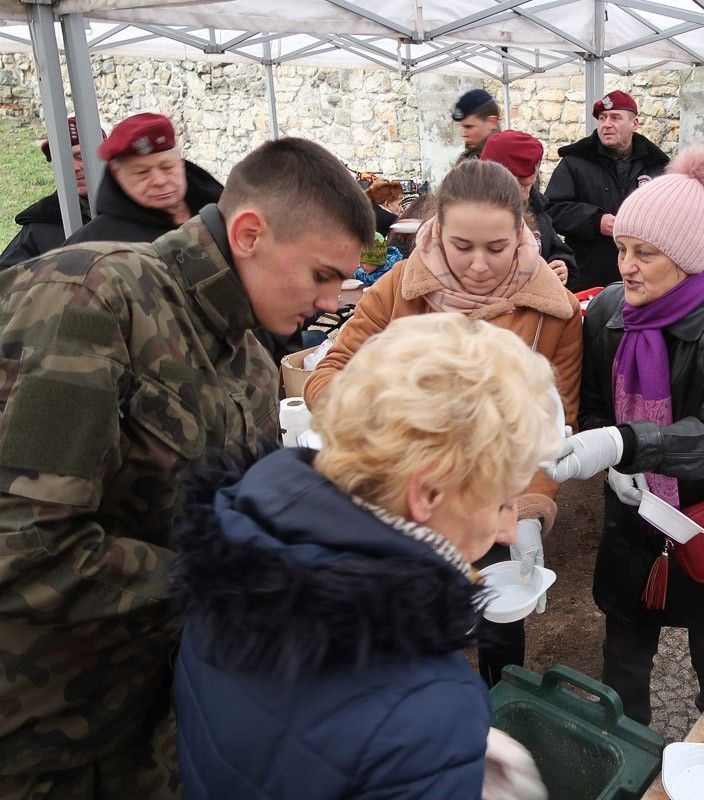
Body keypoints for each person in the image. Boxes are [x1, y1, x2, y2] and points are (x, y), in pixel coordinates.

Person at [0, 137, 374, 798]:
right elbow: (23, 545)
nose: (328, 302)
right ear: (251, 233)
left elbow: (228, 512)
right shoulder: (89, 298)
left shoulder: (248, 359)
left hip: (148, 722)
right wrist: (236, 582)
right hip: (39, 735)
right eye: (321, 275)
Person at [173, 313, 559, 798]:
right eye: (503, 501)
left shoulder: (237, 552)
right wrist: (436, 757)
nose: (507, 528)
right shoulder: (428, 714)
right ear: (431, 492)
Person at [305, 158, 582, 687]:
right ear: (436, 230)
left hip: (489, 498)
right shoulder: (398, 288)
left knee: (498, 619)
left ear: (523, 231)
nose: (479, 265)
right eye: (462, 246)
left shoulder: (554, 311)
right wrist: (383, 427)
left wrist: (526, 507)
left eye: (496, 249)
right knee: (418, 619)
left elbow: (558, 419)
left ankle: (501, 700)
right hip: (404, 495)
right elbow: (332, 369)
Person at [545, 144, 704, 725]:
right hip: (633, 521)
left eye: (645, 252)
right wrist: (608, 454)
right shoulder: (608, 315)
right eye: (621, 248)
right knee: (622, 658)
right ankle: (630, 758)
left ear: (690, 256)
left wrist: (626, 444)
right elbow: (595, 408)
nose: (626, 266)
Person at [545, 90, 669, 291]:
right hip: (590, 279)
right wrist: (595, 221)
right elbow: (552, 210)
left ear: (634, 124)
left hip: (644, 278)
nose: (606, 124)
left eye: (615, 117)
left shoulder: (657, 165)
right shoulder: (575, 162)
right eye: (602, 118)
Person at [65, 112, 223, 245]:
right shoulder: (96, 246)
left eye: (167, 167)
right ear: (116, 173)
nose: (160, 181)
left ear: (181, 162)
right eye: (142, 172)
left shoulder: (225, 211)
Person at [0, 116, 107, 269]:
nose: (73, 168)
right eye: (62, 161)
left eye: (80, 156)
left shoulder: (137, 209)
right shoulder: (41, 224)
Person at [481, 129, 576, 285]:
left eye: (530, 185)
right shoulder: (469, 219)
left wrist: (562, 265)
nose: (525, 195)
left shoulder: (536, 208)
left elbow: (557, 249)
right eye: (519, 185)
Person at [453, 88, 502, 163]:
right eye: (462, 127)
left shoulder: (511, 159)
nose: (463, 134)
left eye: (469, 127)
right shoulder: (465, 161)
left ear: (491, 122)